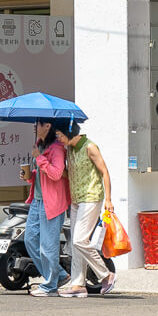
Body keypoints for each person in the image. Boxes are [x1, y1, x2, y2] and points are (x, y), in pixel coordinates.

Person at [54, 121, 116, 297]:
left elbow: (104, 171)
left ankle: (106, 274)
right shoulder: (70, 150)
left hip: (91, 198)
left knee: (79, 240)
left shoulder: (90, 147)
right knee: (75, 244)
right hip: (76, 200)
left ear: (68, 132)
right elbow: (70, 173)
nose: (58, 139)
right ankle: (78, 285)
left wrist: (109, 200)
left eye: (59, 135)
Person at [19, 118, 70, 297]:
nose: (34, 126)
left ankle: (50, 287)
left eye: (38, 124)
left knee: (48, 246)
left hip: (52, 202)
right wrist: (30, 176)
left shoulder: (56, 148)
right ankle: (60, 276)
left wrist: (39, 158)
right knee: (30, 240)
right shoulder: (39, 145)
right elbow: (43, 174)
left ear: (47, 126)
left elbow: (56, 174)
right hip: (37, 200)